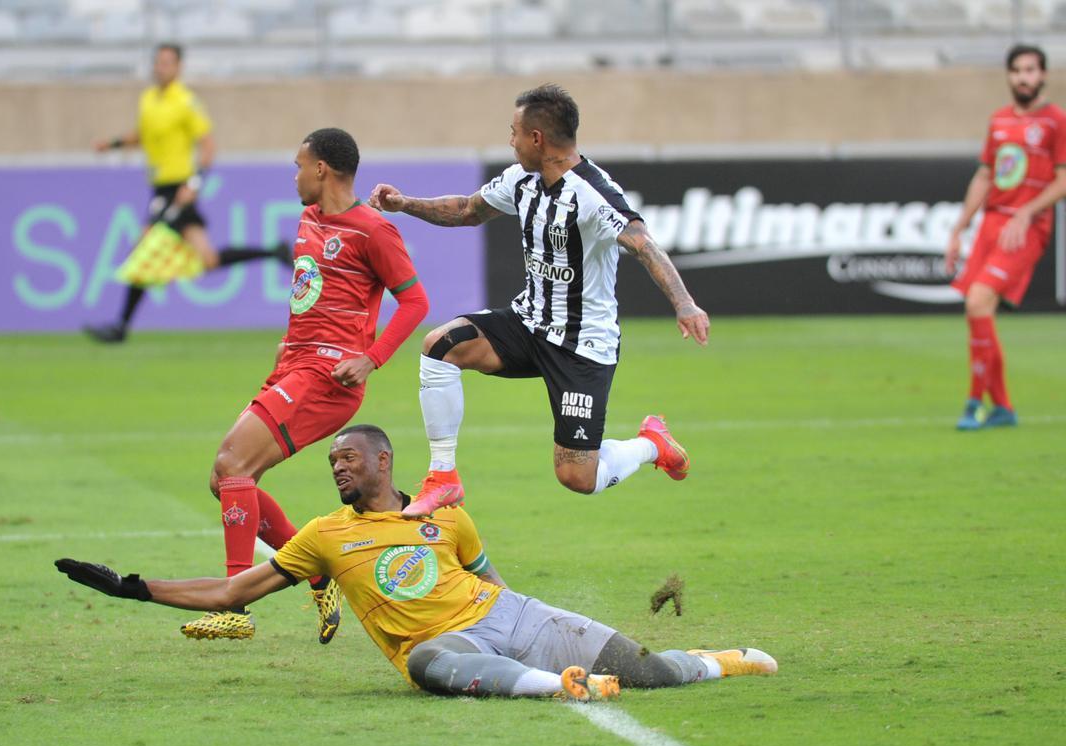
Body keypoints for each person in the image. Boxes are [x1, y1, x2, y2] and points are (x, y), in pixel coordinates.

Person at [56, 424, 777, 700]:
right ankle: (561, 686)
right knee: (428, 668)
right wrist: (135, 588)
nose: (335, 467)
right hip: (442, 645)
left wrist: (534, 616)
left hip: (512, 618)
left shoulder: (444, 513)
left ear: (381, 460)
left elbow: (492, 580)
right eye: (331, 460)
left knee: (648, 670)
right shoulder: (325, 536)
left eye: (346, 457)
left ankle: (727, 660)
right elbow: (231, 593)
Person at [368, 84, 711, 519]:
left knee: (576, 477)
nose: (509, 141)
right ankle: (443, 478)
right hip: (528, 323)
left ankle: (650, 444)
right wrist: (405, 204)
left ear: (537, 139)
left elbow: (643, 244)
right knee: (439, 346)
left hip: (581, 344)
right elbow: (468, 210)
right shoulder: (521, 180)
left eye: (513, 132)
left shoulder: (592, 193)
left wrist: (685, 304)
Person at [180, 128, 430, 642]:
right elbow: (311, 293)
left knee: (232, 464)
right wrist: (288, 345)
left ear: (321, 169)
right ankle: (319, 573)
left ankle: (235, 603)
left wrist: (371, 359)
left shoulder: (373, 231)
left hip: (330, 376)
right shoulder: (308, 219)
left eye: (299, 165)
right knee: (225, 480)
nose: (293, 175)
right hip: (296, 364)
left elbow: (416, 303)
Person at [85, 43, 288, 344]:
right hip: (162, 188)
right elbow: (142, 135)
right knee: (207, 260)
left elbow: (208, 148)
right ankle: (273, 252)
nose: (160, 68)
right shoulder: (148, 99)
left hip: (177, 188)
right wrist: (113, 144)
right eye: (158, 62)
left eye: (167, 63)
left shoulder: (187, 102)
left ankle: (120, 327)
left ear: (178, 67)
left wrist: (192, 185)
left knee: (142, 250)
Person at [944, 44, 1066, 430]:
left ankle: (973, 403)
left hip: (1026, 228)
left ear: (1043, 75)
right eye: (1016, 71)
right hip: (993, 223)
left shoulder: (1055, 121)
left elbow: (1064, 179)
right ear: (1009, 76)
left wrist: (1028, 212)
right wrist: (960, 226)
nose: (1023, 77)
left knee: (978, 300)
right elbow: (985, 175)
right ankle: (1003, 408)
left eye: (1030, 70)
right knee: (979, 311)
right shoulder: (999, 121)